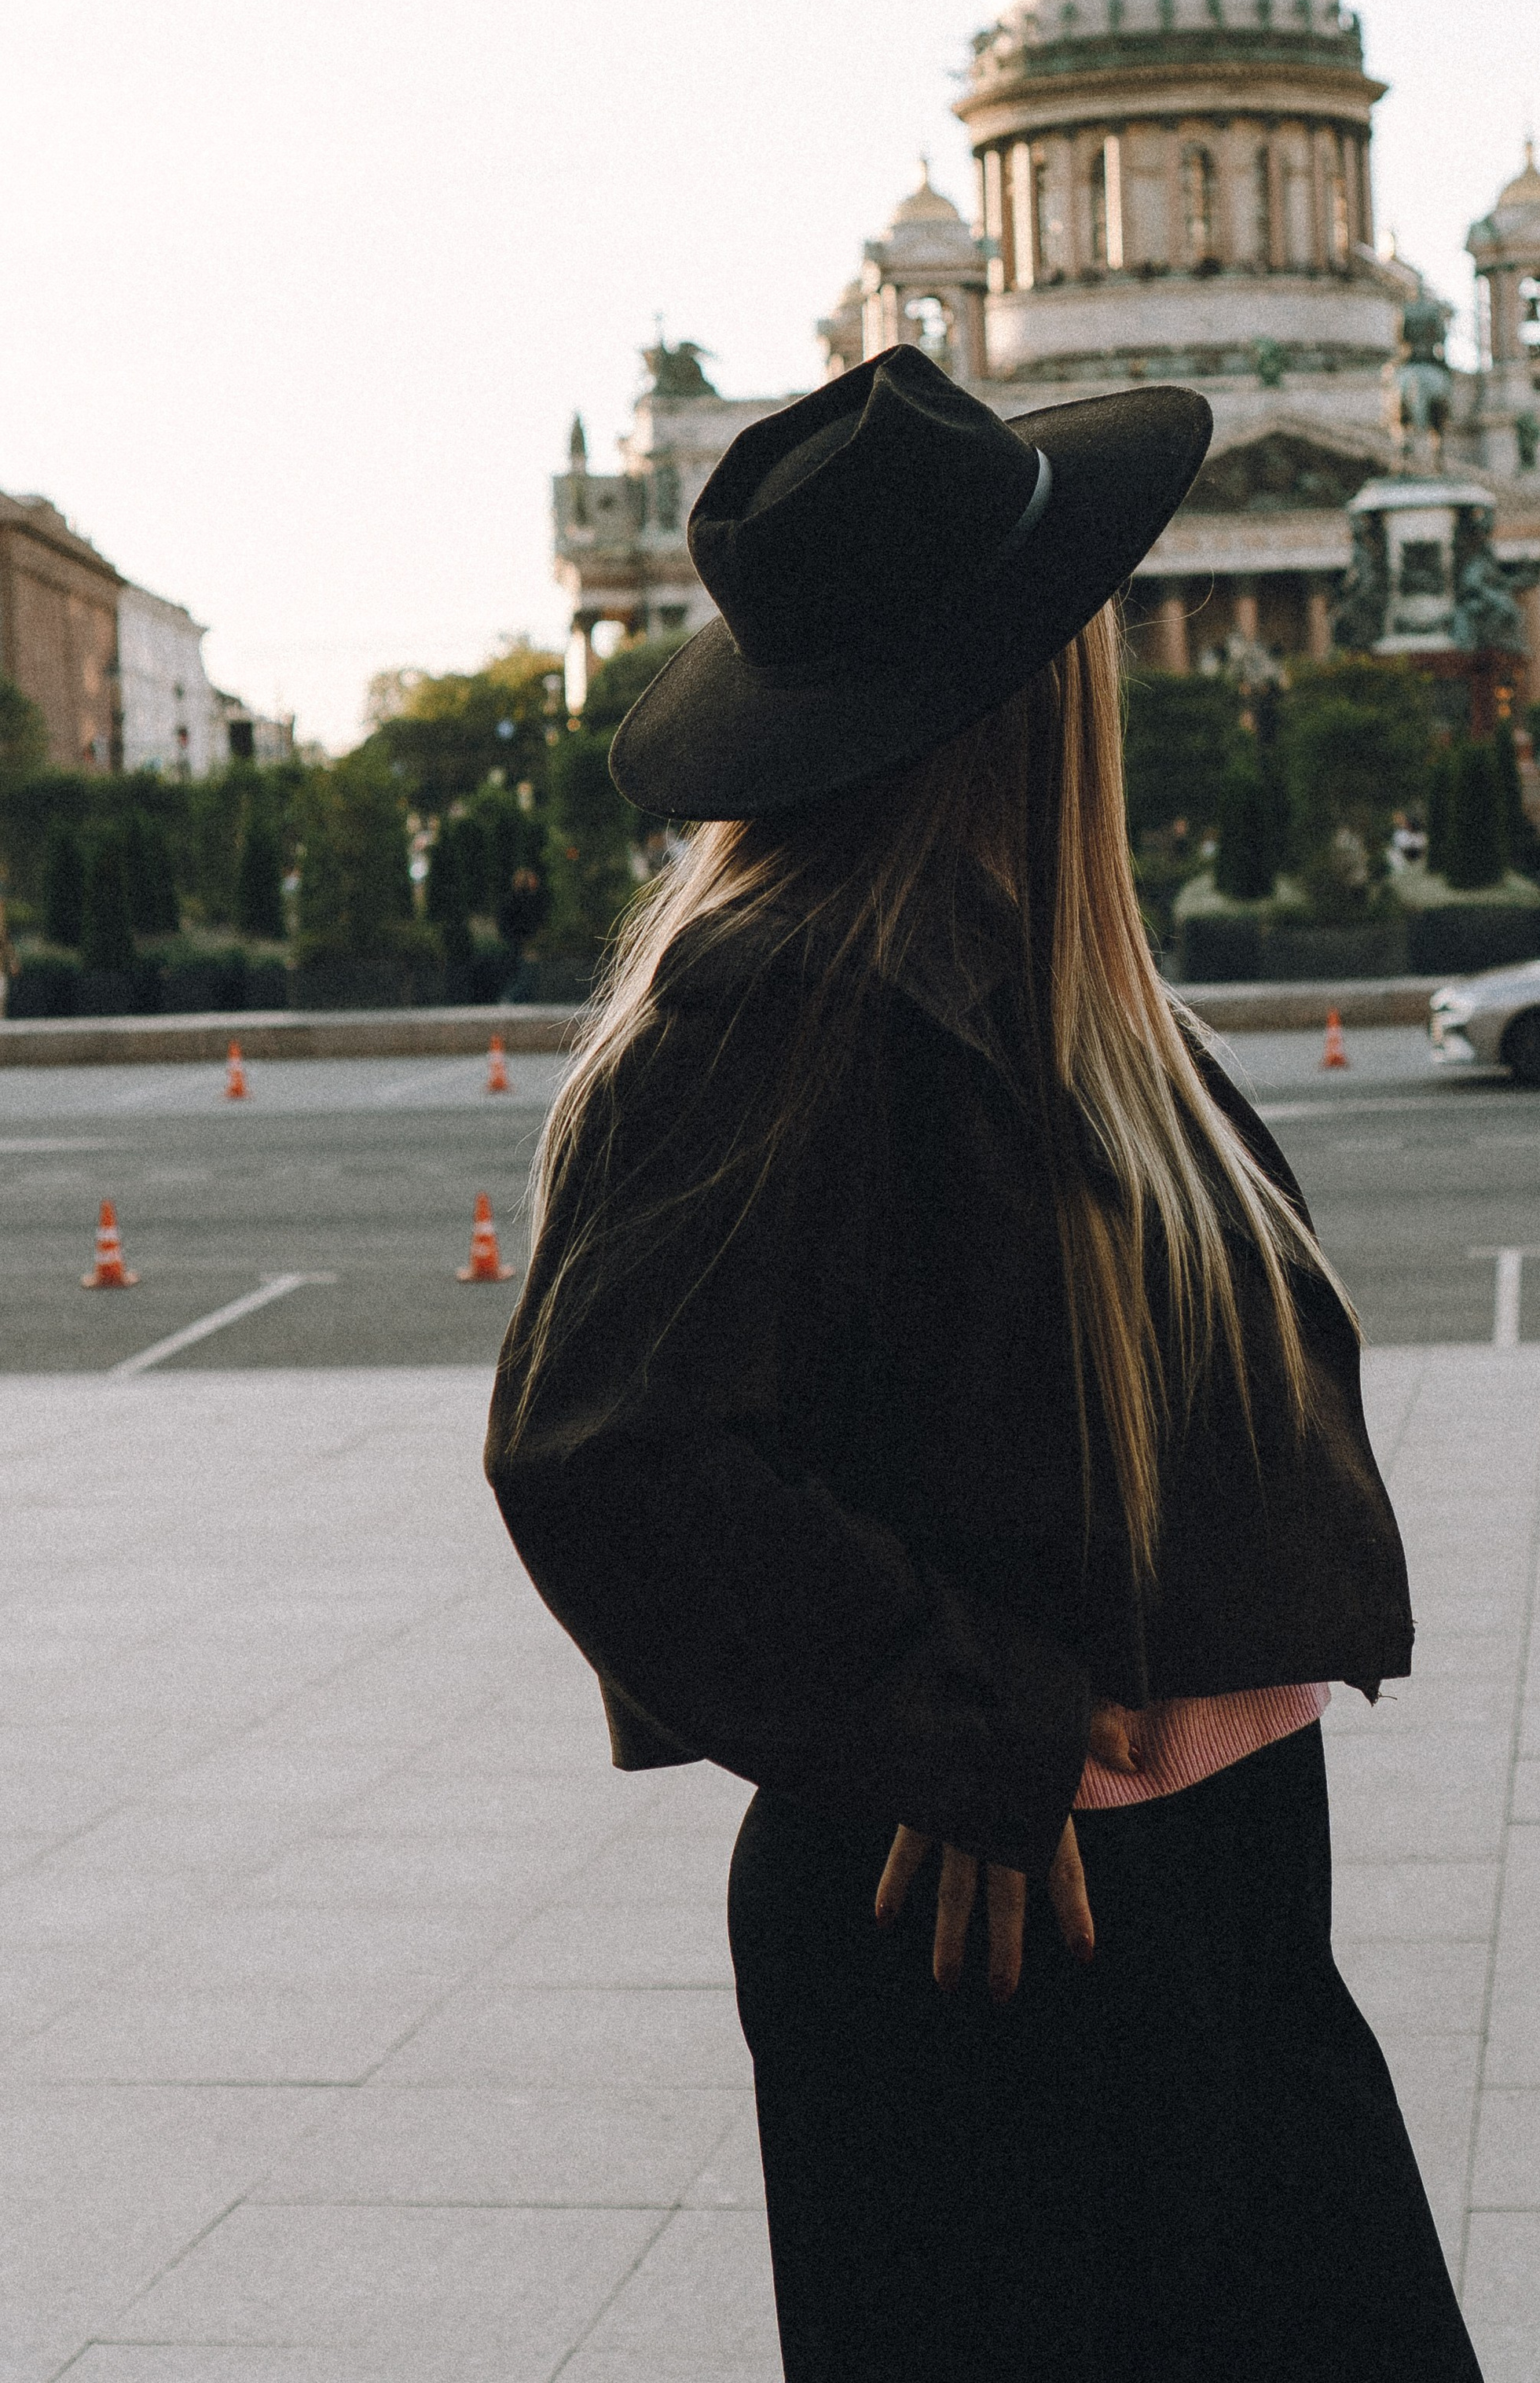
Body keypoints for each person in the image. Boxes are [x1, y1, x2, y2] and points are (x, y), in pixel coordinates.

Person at [486, 347, 1485, 2382]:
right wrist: (975, 1736)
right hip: (1022, 1936)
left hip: (1183, 1908)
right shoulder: (788, 992)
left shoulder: (1027, 970)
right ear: (1034, 671)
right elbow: (607, 1449)